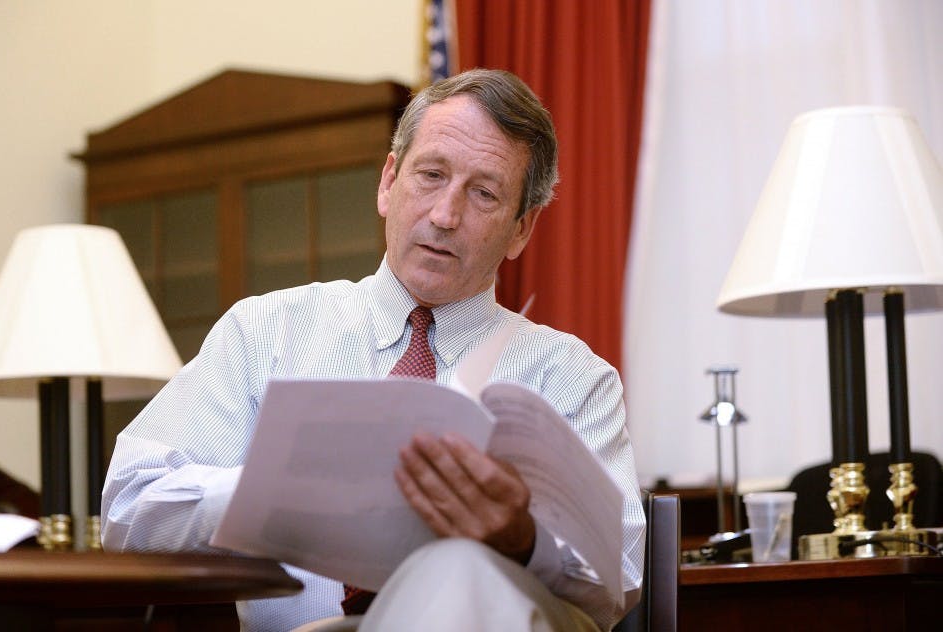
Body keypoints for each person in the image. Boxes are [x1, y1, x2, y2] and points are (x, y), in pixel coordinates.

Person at [102, 68, 645, 632]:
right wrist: (276, 486)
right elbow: (127, 512)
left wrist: (521, 539)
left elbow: (620, 579)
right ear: (388, 182)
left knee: (461, 570)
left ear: (521, 231)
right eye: (430, 175)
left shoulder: (575, 377)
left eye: (484, 193)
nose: (444, 215)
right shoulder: (265, 331)